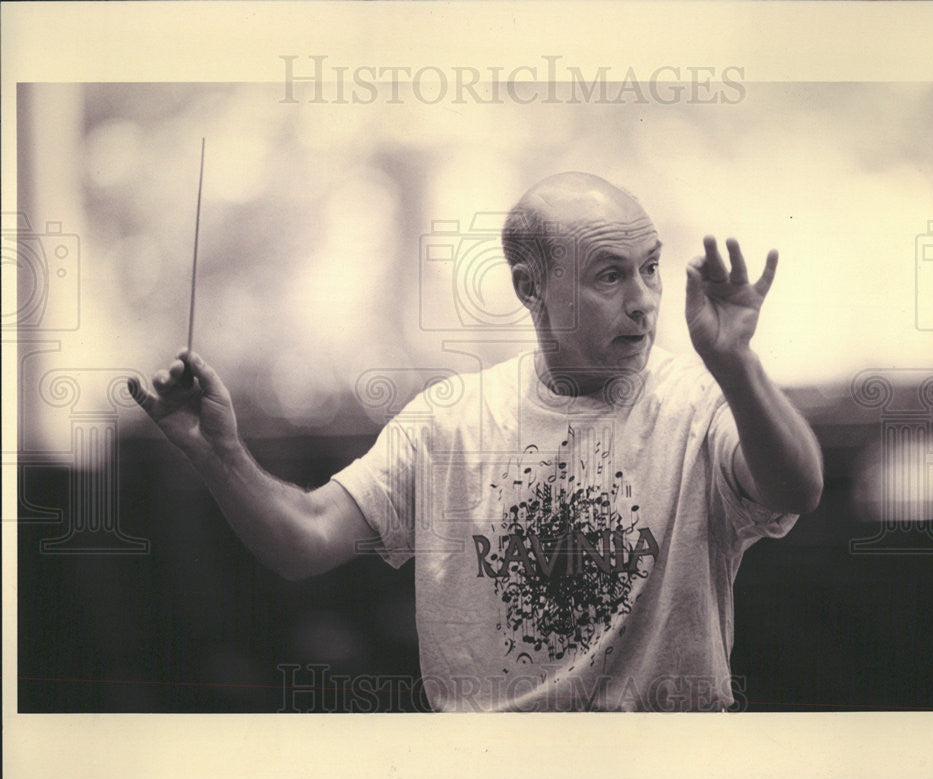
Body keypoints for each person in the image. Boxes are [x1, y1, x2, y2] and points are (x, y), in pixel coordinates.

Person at [129, 172, 823, 712]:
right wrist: (218, 454)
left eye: (650, 268)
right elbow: (303, 539)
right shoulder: (450, 422)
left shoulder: (701, 402)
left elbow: (797, 489)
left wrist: (738, 366)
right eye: (610, 274)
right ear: (532, 289)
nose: (643, 298)